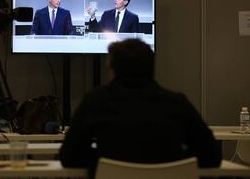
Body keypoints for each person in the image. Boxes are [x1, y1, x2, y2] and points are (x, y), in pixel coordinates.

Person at [59, 39, 221, 178]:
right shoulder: (177, 103)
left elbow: (69, 157)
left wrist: (101, 161)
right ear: (152, 68)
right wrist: (175, 160)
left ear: (112, 68)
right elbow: (211, 156)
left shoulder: (95, 101)